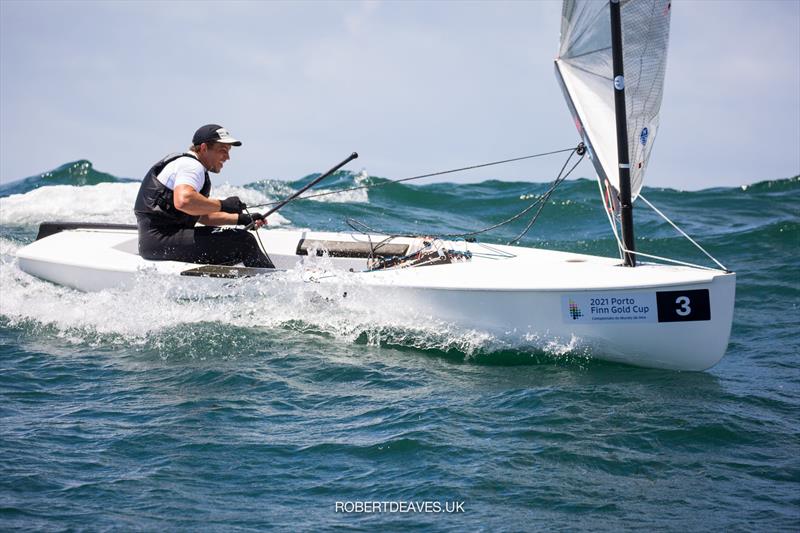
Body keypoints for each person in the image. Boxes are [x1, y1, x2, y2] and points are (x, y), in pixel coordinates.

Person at [133, 124, 274, 268]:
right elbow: (184, 201)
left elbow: (202, 216)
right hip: (162, 241)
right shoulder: (192, 166)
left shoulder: (186, 165)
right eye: (223, 151)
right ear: (204, 148)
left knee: (234, 241)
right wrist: (223, 204)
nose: (227, 157)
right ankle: (272, 285)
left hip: (156, 243)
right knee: (244, 241)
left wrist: (241, 219)